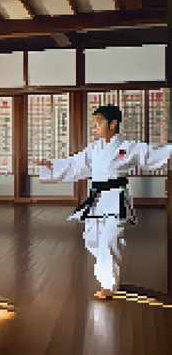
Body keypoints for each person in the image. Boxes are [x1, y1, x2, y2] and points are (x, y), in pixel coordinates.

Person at [36, 104, 172, 300]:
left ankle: (108, 285)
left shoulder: (127, 148)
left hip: (115, 200)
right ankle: (108, 275)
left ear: (113, 123)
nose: (94, 127)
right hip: (97, 200)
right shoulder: (94, 149)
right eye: (93, 123)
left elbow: (153, 154)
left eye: (98, 123)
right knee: (94, 238)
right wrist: (52, 165)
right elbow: (75, 164)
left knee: (110, 239)